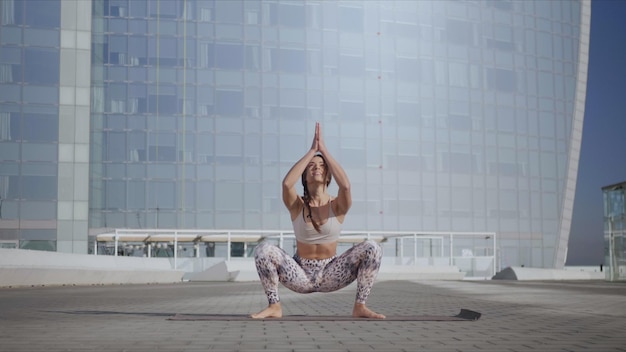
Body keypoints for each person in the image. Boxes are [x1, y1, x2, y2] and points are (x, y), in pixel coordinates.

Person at [251, 122, 385, 319]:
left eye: (321, 166)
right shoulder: (297, 205)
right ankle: (274, 306)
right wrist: (312, 151)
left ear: (328, 175)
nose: (316, 168)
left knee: (373, 248)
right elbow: (287, 183)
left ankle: (360, 306)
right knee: (263, 250)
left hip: (331, 272)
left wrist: (324, 151)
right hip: (300, 273)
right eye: (311, 166)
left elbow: (346, 186)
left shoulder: (337, 205)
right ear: (304, 175)